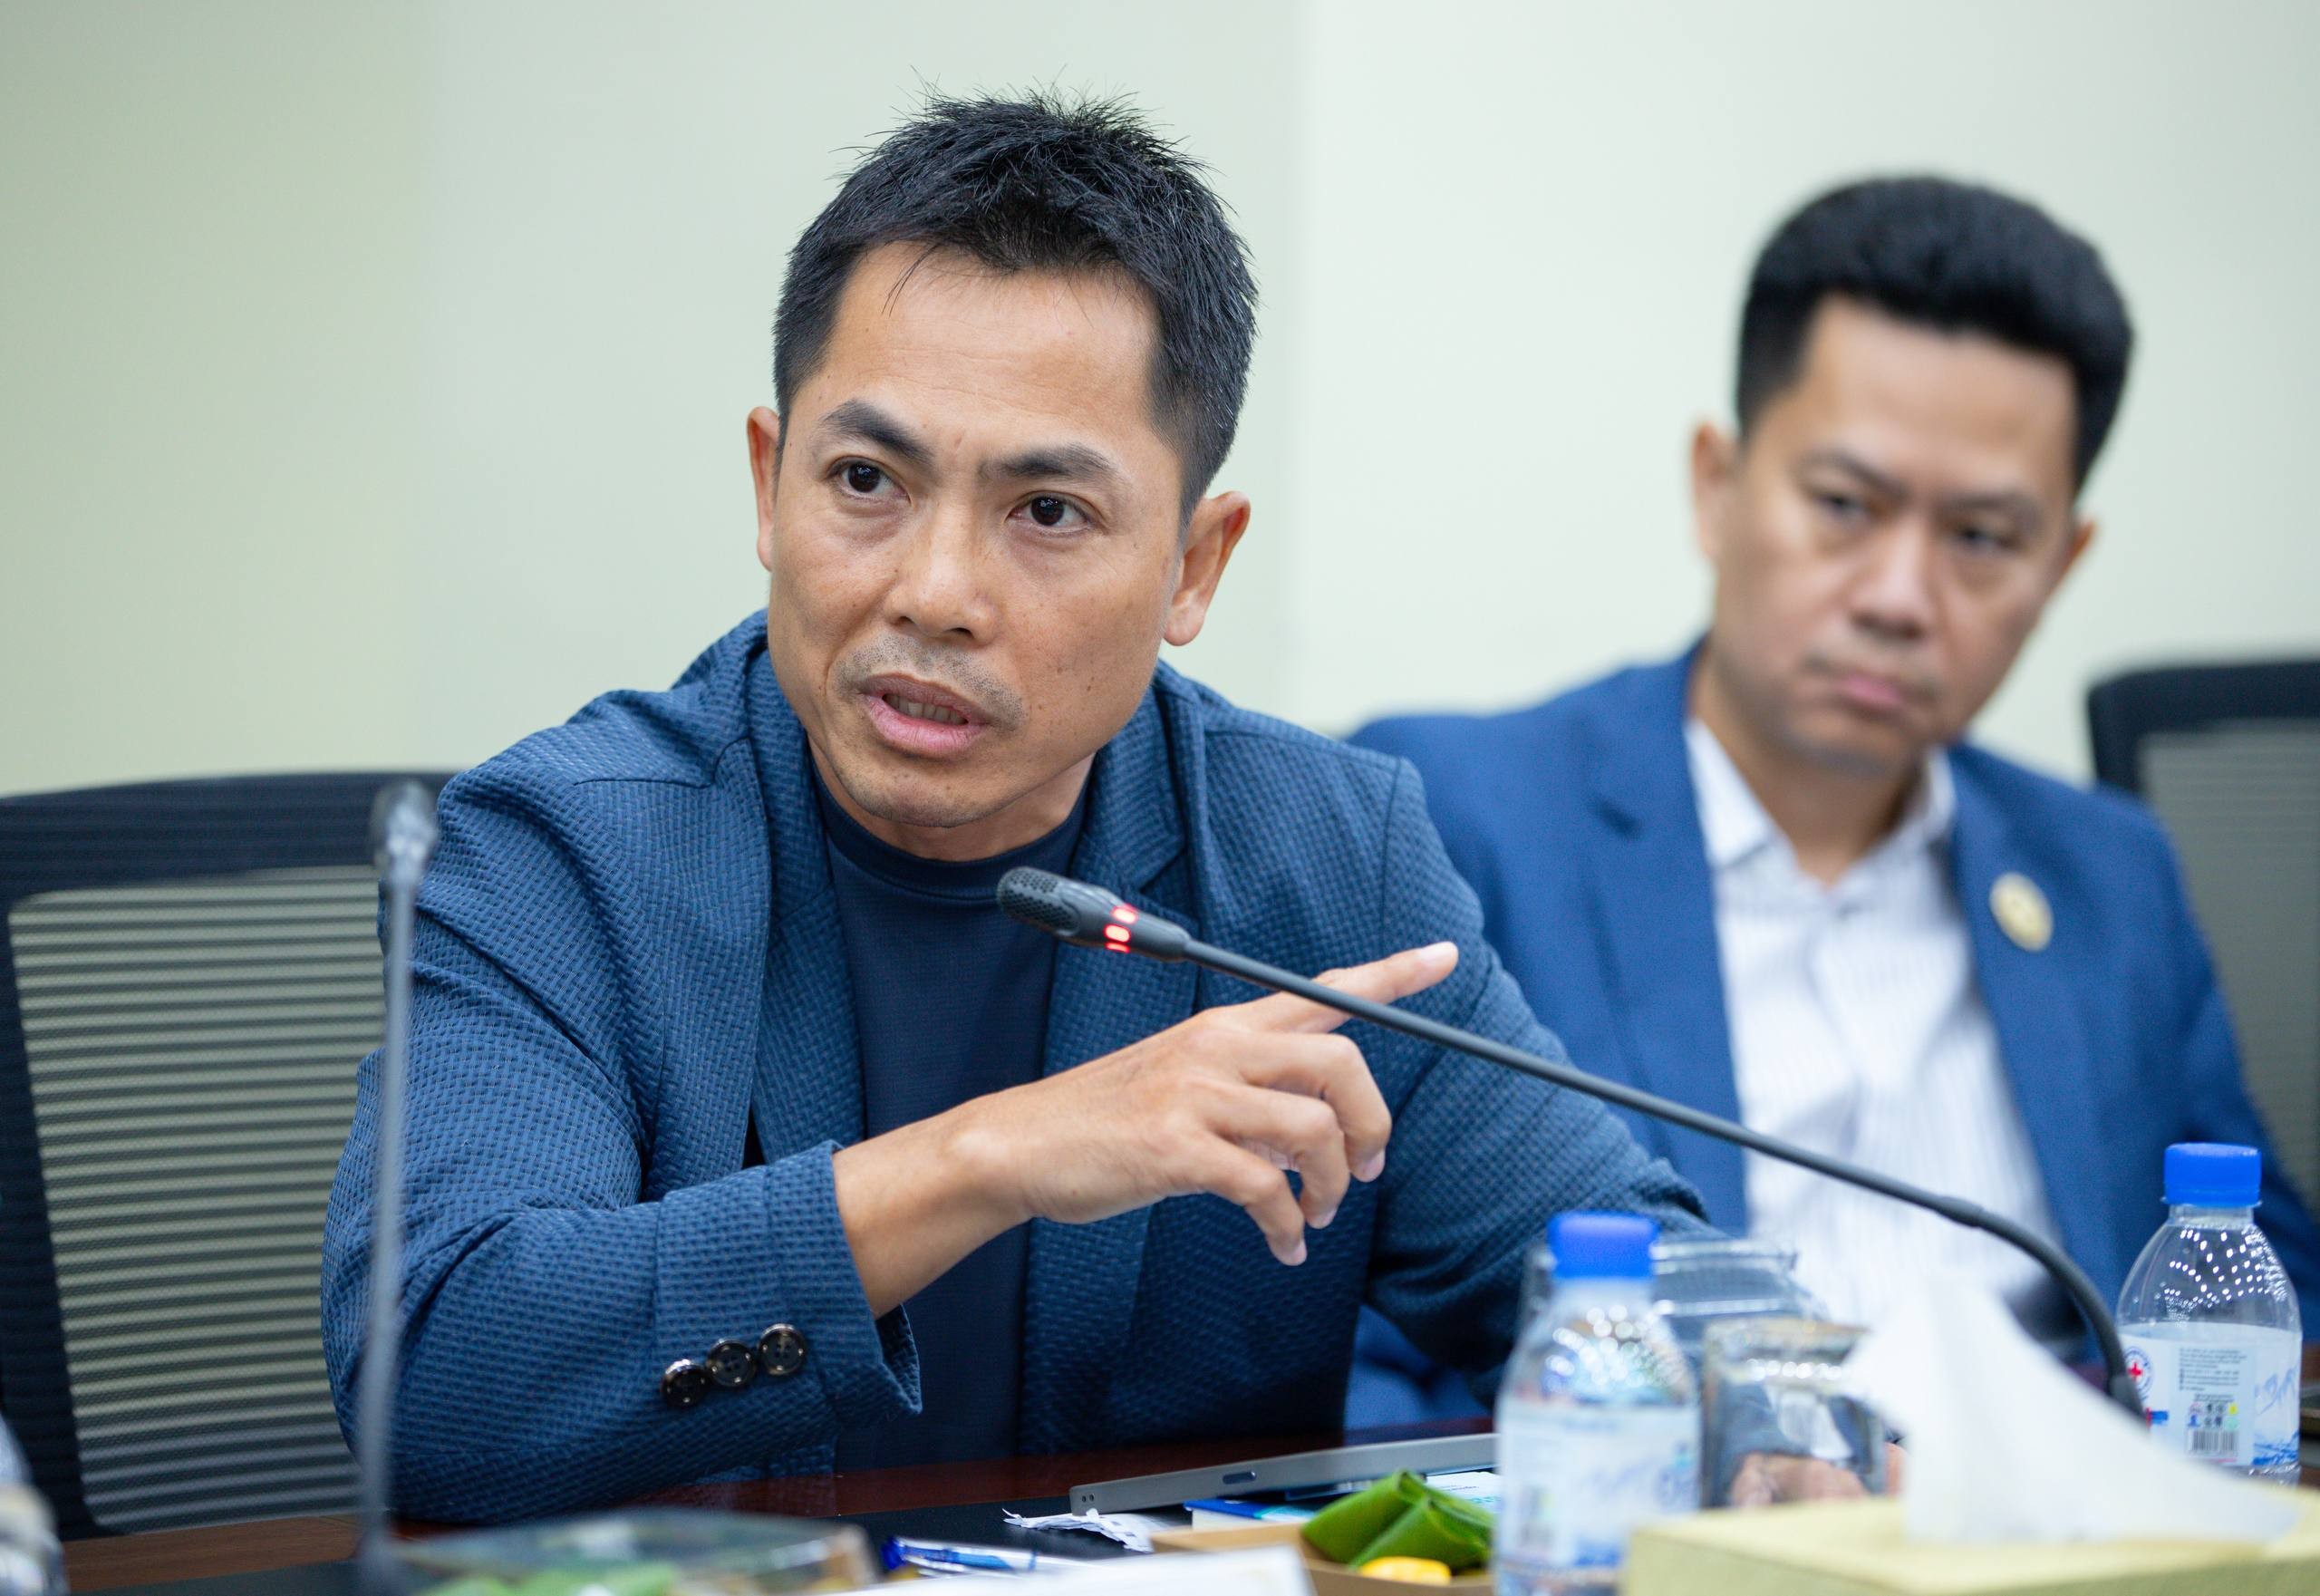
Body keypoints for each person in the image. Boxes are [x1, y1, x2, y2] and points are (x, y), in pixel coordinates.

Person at [320, 93, 1709, 1523]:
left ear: (1195, 565)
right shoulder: (563, 852)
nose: (935, 592)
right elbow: (435, 1379)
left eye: (1046, 511)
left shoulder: (1324, 862)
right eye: (866, 480)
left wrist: (1759, 1411)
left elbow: (1633, 1284)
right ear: (768, 482)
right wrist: (991, 1156)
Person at [1348, 176, 2320, 1423]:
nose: (1900, 596)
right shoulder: (1450, 822)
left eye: (1982, 538)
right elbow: (1335, 1356)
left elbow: (2267, 1304)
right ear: (1717, 485)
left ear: (2063, 561)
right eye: (1846, 507)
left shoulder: (2110, 873)